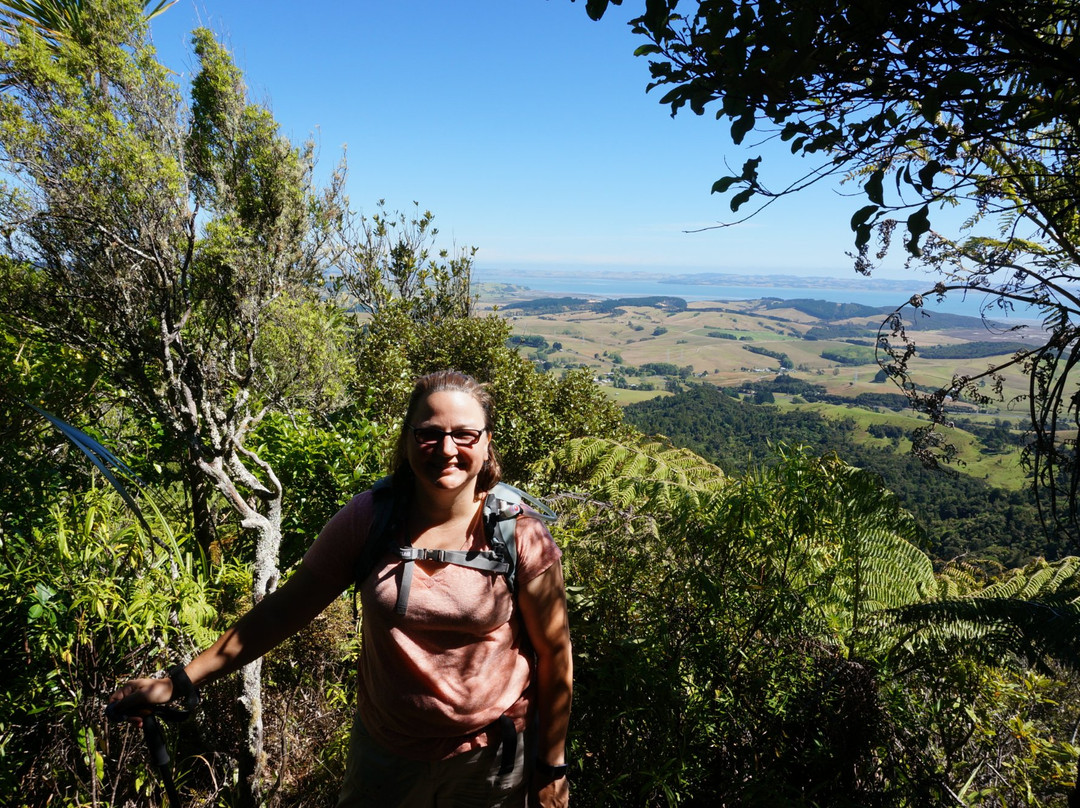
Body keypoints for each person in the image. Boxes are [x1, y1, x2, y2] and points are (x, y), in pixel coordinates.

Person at [109, 370, 573, 808]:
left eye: (464, 434)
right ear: (408, 440)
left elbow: (556, 654)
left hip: (489, 758)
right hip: (387, 755)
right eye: (429, 432)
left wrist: (552, 766)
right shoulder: (370, 518)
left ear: (486, 442)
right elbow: (283, 611)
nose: (445, 448)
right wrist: (179, 682)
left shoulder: (519, 535)